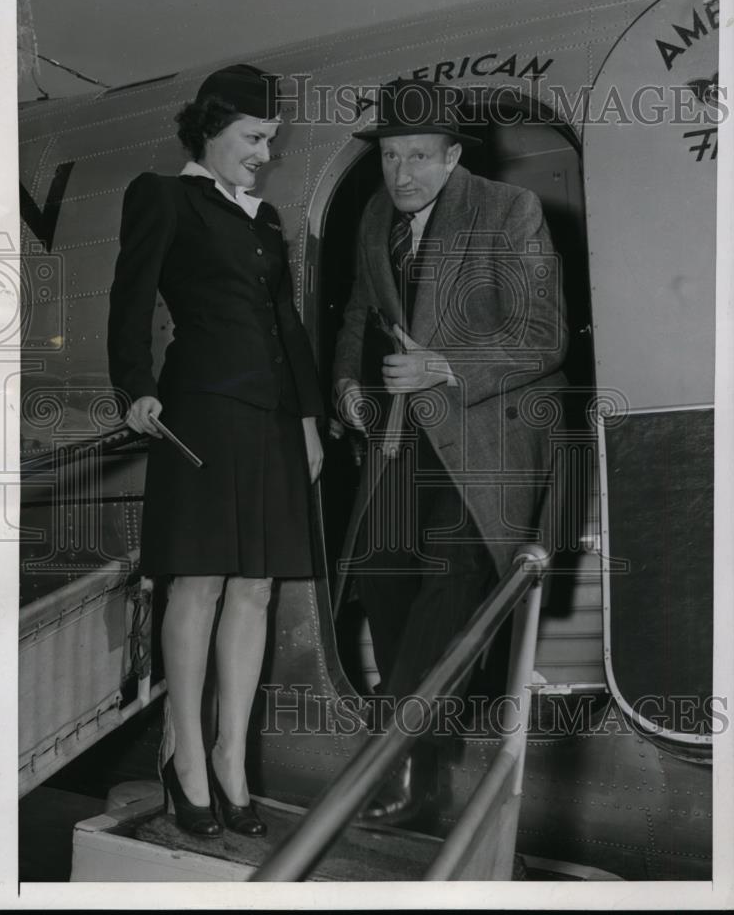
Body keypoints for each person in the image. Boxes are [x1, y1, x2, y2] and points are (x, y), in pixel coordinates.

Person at [333, 78, 568, 823]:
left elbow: (542, 334)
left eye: (418, 157)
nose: (401, 173)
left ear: (453, 156)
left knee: (447, 588)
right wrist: (344, 383)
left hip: (482, 446)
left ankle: (390, 761)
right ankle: (428, 774)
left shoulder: (508, 211)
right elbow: (361, 315)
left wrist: (443, 365)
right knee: (383, 582)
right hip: (401, 443)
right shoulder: (376, 216)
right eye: (391, 156)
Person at [108, 64, 323, 839]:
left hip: (268, 422)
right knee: (196, 586)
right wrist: (132, 386)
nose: (265, 152)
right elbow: (129, 299)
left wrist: (305, 421)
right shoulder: (163, 196)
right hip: (197, 413)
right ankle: (187, 757)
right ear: (211, 129)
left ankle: (233, 759)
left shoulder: (263, 220)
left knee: (256, 588)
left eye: (270, 139)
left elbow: (286, 326)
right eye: (254, 137)